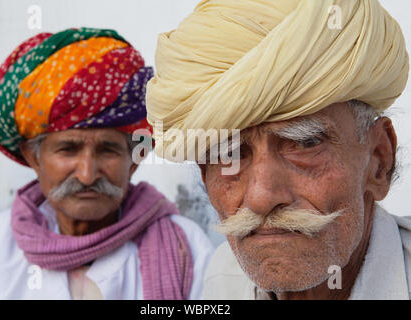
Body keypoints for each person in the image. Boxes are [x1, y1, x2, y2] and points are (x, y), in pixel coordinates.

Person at [145, 0, 411, 299]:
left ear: (379, 160)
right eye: (228, 154)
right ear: (205, 175)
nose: (261, 199)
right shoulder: (224, 278)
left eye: (305, 143)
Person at [0, 27, 214, 299]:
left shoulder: (185, 247)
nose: (87, 175)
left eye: (108, 150)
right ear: (34, 157)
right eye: (68, 149)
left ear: (134, 160)